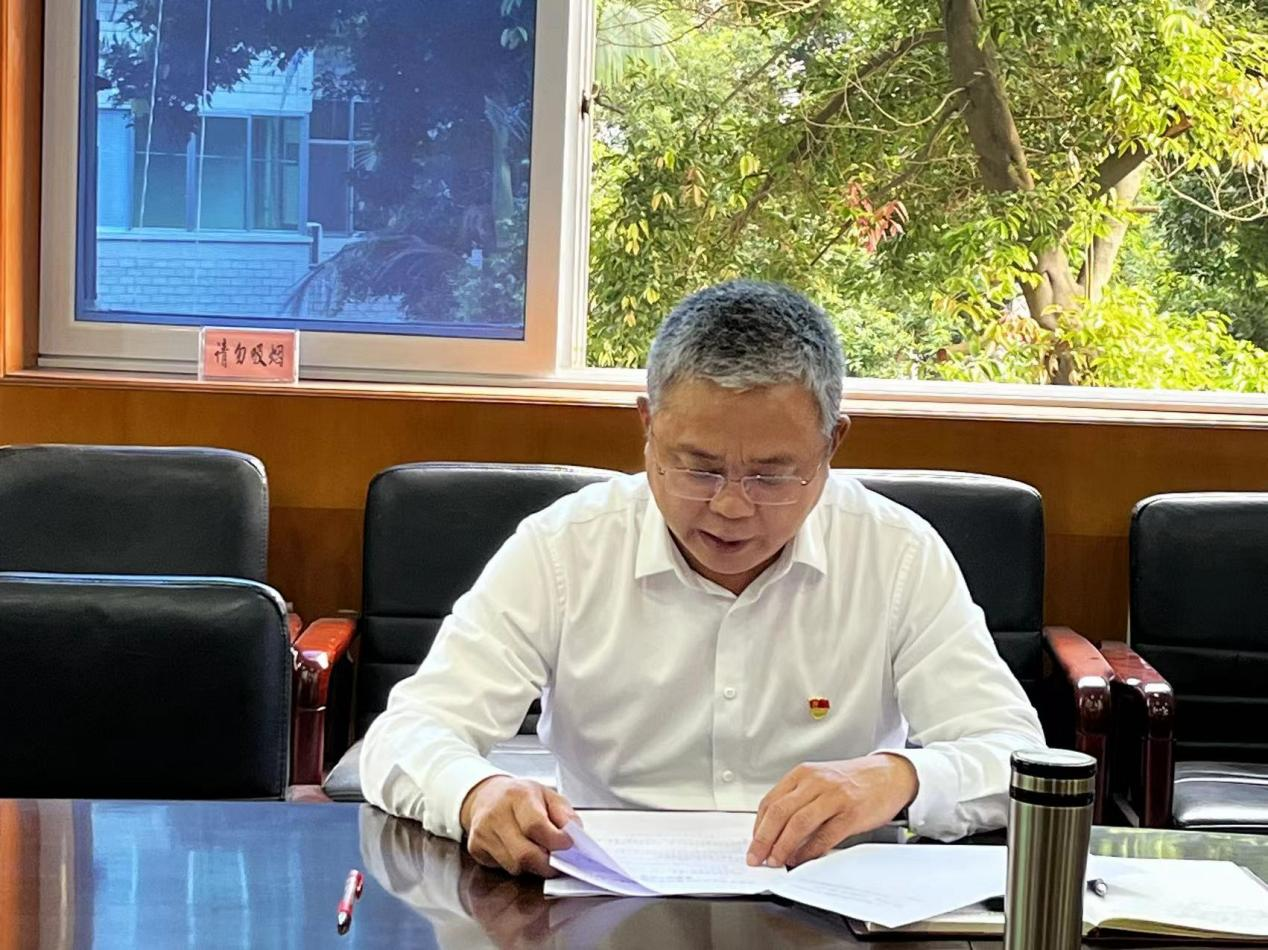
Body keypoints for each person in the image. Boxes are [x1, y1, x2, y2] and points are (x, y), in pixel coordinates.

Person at [360, 279, 1045, 878]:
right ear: (647, 427)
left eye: (771, 475)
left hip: (830, 901)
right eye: (699, 467)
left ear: (833, 444)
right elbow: (409, 733)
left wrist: (901, 777)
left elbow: (1016, 757)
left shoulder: (896, 554)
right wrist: (475, 793)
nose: (731, 506)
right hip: (607, 898)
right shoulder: (564, 549)